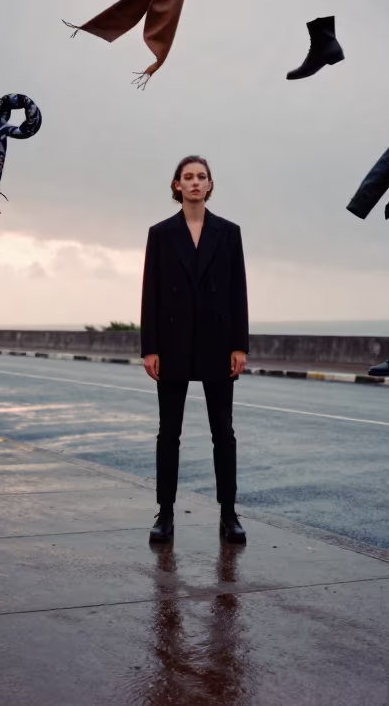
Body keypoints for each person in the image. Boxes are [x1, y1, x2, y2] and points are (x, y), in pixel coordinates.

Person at [141, 156, 250, 545]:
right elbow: (150, 293)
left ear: (209, 185)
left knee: (224, 432)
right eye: (187, 177)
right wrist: (149, 348)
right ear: (176, 185)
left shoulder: (229, 232)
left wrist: (240, 344)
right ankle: (165, 513)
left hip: (218, 344)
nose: (194, 183)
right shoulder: (160, 233)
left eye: (201, 177)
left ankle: (229, 514)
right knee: (168, 432)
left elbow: (238, 290)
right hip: (171, 344)